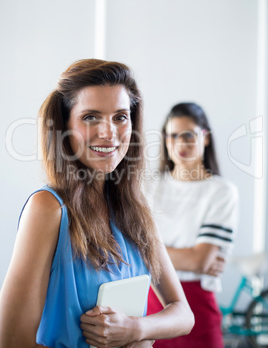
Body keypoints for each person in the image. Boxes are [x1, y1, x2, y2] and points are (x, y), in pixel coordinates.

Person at [0, 60, 194, 348]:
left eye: (120, 117)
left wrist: (135, 329)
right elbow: (13, 341)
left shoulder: (135, 209)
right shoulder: (48, 209)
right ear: (64, 126)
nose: (109, 132)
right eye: (90, 117)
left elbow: (184, 314)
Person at [145, 102, 239, 348]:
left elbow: (200, 261)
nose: (180, 143)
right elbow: (129, 248)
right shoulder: (148, 188)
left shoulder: (221, 192)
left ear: (205, 138)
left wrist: (148, 251)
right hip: (150, 313)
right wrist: (189, 258)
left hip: (198, 313)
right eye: (172, 135)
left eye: (188, 135)